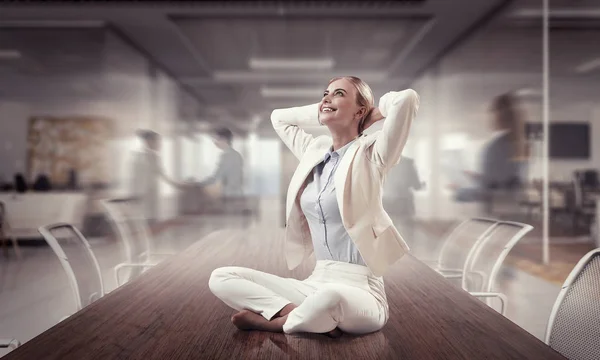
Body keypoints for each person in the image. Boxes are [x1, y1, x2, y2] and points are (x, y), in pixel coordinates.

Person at [209, 76, 419, 337]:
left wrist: (373, 115)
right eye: (325, 93)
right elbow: (278, 118)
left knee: (329, 299)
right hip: (316, 281)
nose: (327, 98)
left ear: (360, 110)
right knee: (221, 276)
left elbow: (407, 99)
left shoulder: (372, 154)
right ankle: (297, 314)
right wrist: (325, 109)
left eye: (339, 93)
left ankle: (273, 322)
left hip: (361, 288)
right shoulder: (314, 150)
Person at [452, 93, 528, 211]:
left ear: (498, 116)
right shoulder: (520, 144)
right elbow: (504, 183)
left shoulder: (495, 147)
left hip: (496, 212)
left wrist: (459, 191)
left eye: (490, 114)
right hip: (513, 209)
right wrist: (478, 177)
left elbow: (488, 191)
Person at [129, 129, 190, 223]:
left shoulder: (152, 156)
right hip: (142, 191)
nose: (159, 144)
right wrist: (135, 192)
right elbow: (136, 176)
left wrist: (175, 184)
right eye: (157, 141)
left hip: (149, 189)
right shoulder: (140, 156)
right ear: (148, 141)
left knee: (150, 217)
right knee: (144, 217)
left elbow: (160, 173)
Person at [198, 127, 244, 198]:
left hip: (229, 195)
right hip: (237, 193)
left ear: (224, 140)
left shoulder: (226, 156)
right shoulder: (236, 154)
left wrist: (200, 184)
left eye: (217, 139)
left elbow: (216, 177)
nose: (215, 142)